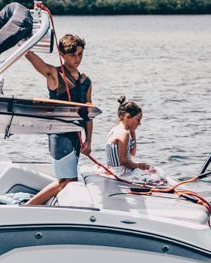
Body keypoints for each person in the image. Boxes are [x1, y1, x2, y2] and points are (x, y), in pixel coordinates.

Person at [23, 33, 93, 205]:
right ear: (62, 55)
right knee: (66, 180)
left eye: (80, 54)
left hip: (76, 136)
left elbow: (88, 114)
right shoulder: (55, 75)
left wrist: (89, 141)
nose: (77, 59)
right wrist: (24, 46)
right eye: (73, 55)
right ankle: (28, 207)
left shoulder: (86, 81)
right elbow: (33, 59)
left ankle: (51, 208)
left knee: (71, 178)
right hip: (59, 135)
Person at [104, 97, 171, 186]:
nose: (139, 123)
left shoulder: (114, 130)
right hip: (121, 172)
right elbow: (123, 161)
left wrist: (133, 132)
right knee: (158, 174)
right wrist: (138, 165)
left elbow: (132, 153)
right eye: (138, 120)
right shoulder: (124, 133)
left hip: (113, 170)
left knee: (153, 170)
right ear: (127, 116)